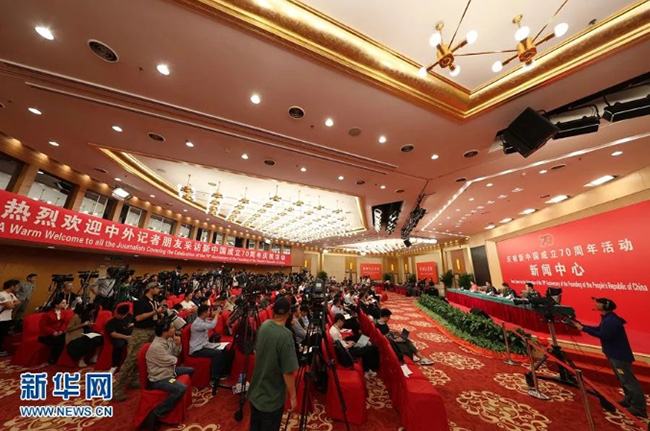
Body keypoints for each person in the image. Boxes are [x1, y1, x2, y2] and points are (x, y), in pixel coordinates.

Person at [571, 298, 647, 418]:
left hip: (619, 356)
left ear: (605, 306)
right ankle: (629, 400)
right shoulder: (608, 318)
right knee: (622, 379)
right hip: (614, 354)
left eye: (598, 303)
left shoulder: (612, 321)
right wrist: (582, 326)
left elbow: (604, 335)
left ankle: (639, 408)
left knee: (628, 381)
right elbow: (599, 329)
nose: (595, 304)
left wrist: (583, 329)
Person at [247, 296, 299, 431]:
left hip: (256, 392)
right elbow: (288, 371)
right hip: (271, 398)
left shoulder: (264, 325)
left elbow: (256, 352)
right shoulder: (286, 335)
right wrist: (293, 397)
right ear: (289, 313)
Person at [113, 282, 163, 402]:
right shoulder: (140, 302)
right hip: (141, 333)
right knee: (131, 360)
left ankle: (133, 380)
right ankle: (116, 388)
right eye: (157, 288)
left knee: (144, 357)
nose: (159, 290)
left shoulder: (154, 301)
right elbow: (138, 318)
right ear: (150, 289)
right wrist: (156, 312)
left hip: (151, 331)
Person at [142, 319, 195, 430]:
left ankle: (177, 400)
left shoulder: (168, 339)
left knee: (190, 370)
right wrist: (174, 358)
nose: (174, 329)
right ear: (164, 332)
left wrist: (178, 344)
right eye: (171, 328)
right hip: (159, 378)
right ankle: (156, 413)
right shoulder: (157, 347)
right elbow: (173, 360)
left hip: (169, 370)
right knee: (181, 388)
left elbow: (176, 353)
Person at [189, 305, 227, 382]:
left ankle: (221, 373)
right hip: (197, 349)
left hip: (204, 345)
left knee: (224, 349)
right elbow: (212, 325)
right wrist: (217, 314)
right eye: (208, 311)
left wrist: (214, 315)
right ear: (204, 313)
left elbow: (211, 322)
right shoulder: (197, 323)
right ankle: (214, 378)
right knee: (217, 353)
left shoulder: (203, 320)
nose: (210, 312)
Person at [38, 297, 68, 364]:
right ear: (56, 305)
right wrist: (53, 332)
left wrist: (61, 330)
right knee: (59, 340)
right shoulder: (48, 314)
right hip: (48, 334)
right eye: (63, 303)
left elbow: (64, 323)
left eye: (65, 303)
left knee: (64, 337)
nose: (65, 304)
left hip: (59, 332)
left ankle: (58, 358)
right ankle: (53, 358)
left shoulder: (63, 313)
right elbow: (43, 326)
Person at [105, 303, 134, 374]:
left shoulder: (130, 317)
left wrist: (132, 325)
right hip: (119, 337)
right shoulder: (111, 322)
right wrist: (126, 337)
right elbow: (113, 334)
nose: (118, 315)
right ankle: (114, 365)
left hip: (131, 335)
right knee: (118, 345)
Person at [0, 279, 21, 356]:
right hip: (1, 318)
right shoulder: (1, 294)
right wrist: (12, 304)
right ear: (12, 286)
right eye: (16, 286)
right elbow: (9, 306)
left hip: (8, 318)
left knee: (3, 336)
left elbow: (18, 302)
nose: (17, 288)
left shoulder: (11, 295)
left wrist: (12, 304)